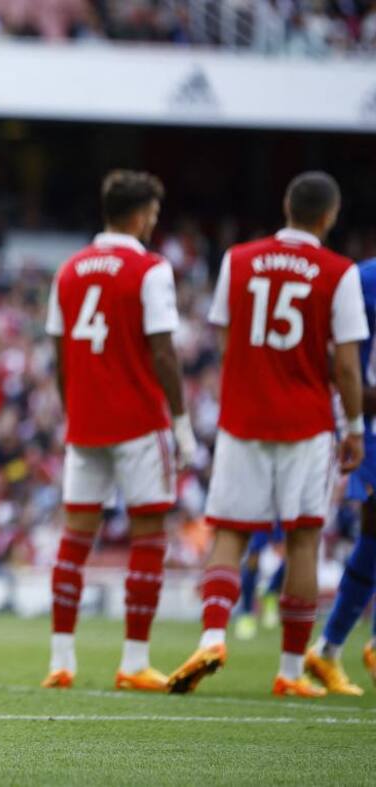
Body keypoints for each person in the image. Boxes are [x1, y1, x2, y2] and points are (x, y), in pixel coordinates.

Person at [168, 171, 368, 698]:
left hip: (243, 418)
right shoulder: (339, 272)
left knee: (230, 532)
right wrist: (353, 428)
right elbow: (348, 364)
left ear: (286, 205)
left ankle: (213, 636)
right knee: (303, 539)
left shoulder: (238, 260)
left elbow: (226, 340)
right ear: (330, 215)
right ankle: (289, 671)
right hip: (306, 421)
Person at [42, 170, 197, 691]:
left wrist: (73, 412)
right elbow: (164, 351)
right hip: (139, 422)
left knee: (74, 540)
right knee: (149, 537)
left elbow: (60, 355)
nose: (154, 223)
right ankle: (134, 661)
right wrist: (181, 422)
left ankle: (61, 661)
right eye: (153, 214)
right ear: (140, 215)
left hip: (86, 423)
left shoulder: (69, 270)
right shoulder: (150, 269)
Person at [303, 254, 376, 695]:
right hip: (369, 422)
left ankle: (329, 648)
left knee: (373, 536)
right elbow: (339, 365)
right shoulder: (363, 280)